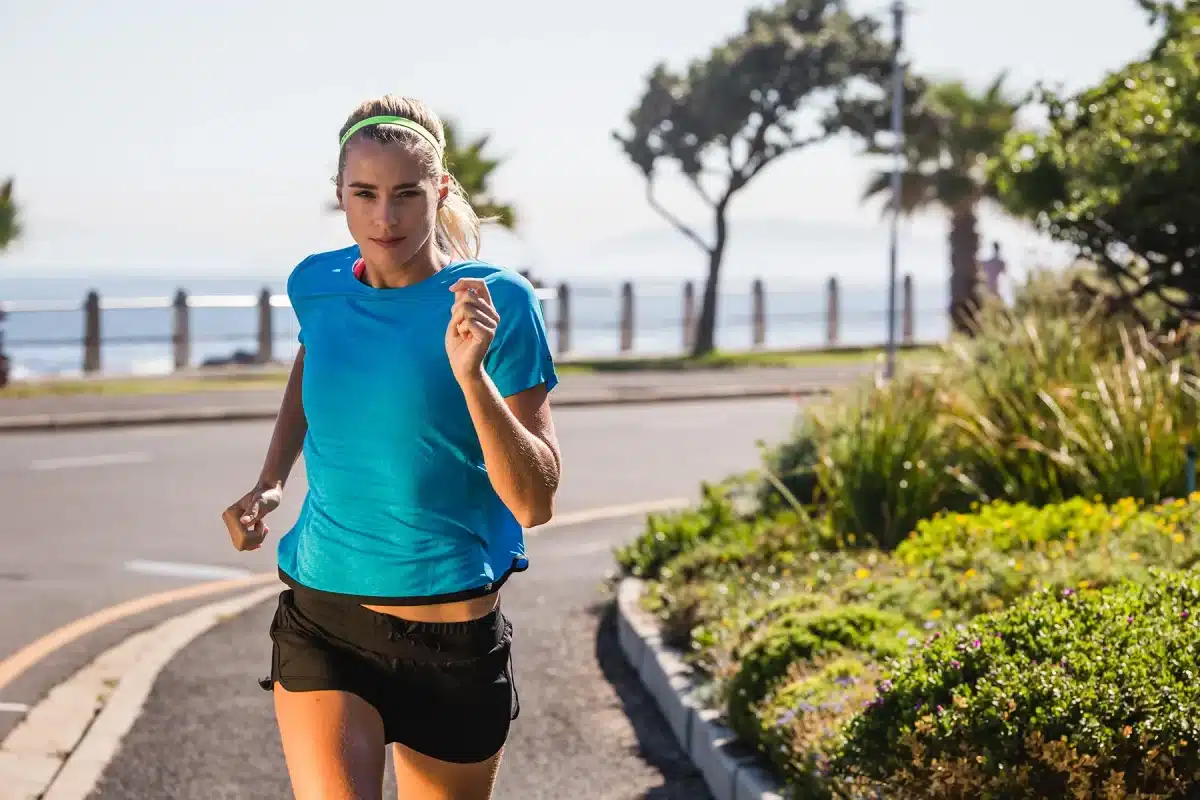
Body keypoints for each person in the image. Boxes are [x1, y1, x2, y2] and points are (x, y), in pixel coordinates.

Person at [220, 95, 562, 800]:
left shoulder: (499, 303)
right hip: (325, 619)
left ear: (439, 191)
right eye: (365, 194)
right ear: (339, 195)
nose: (386, 218)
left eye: (407, 194)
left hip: (453, 641)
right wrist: (272, 478)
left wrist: (472, 377)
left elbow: (534, 502)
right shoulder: (316, 284)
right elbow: (313, 364)